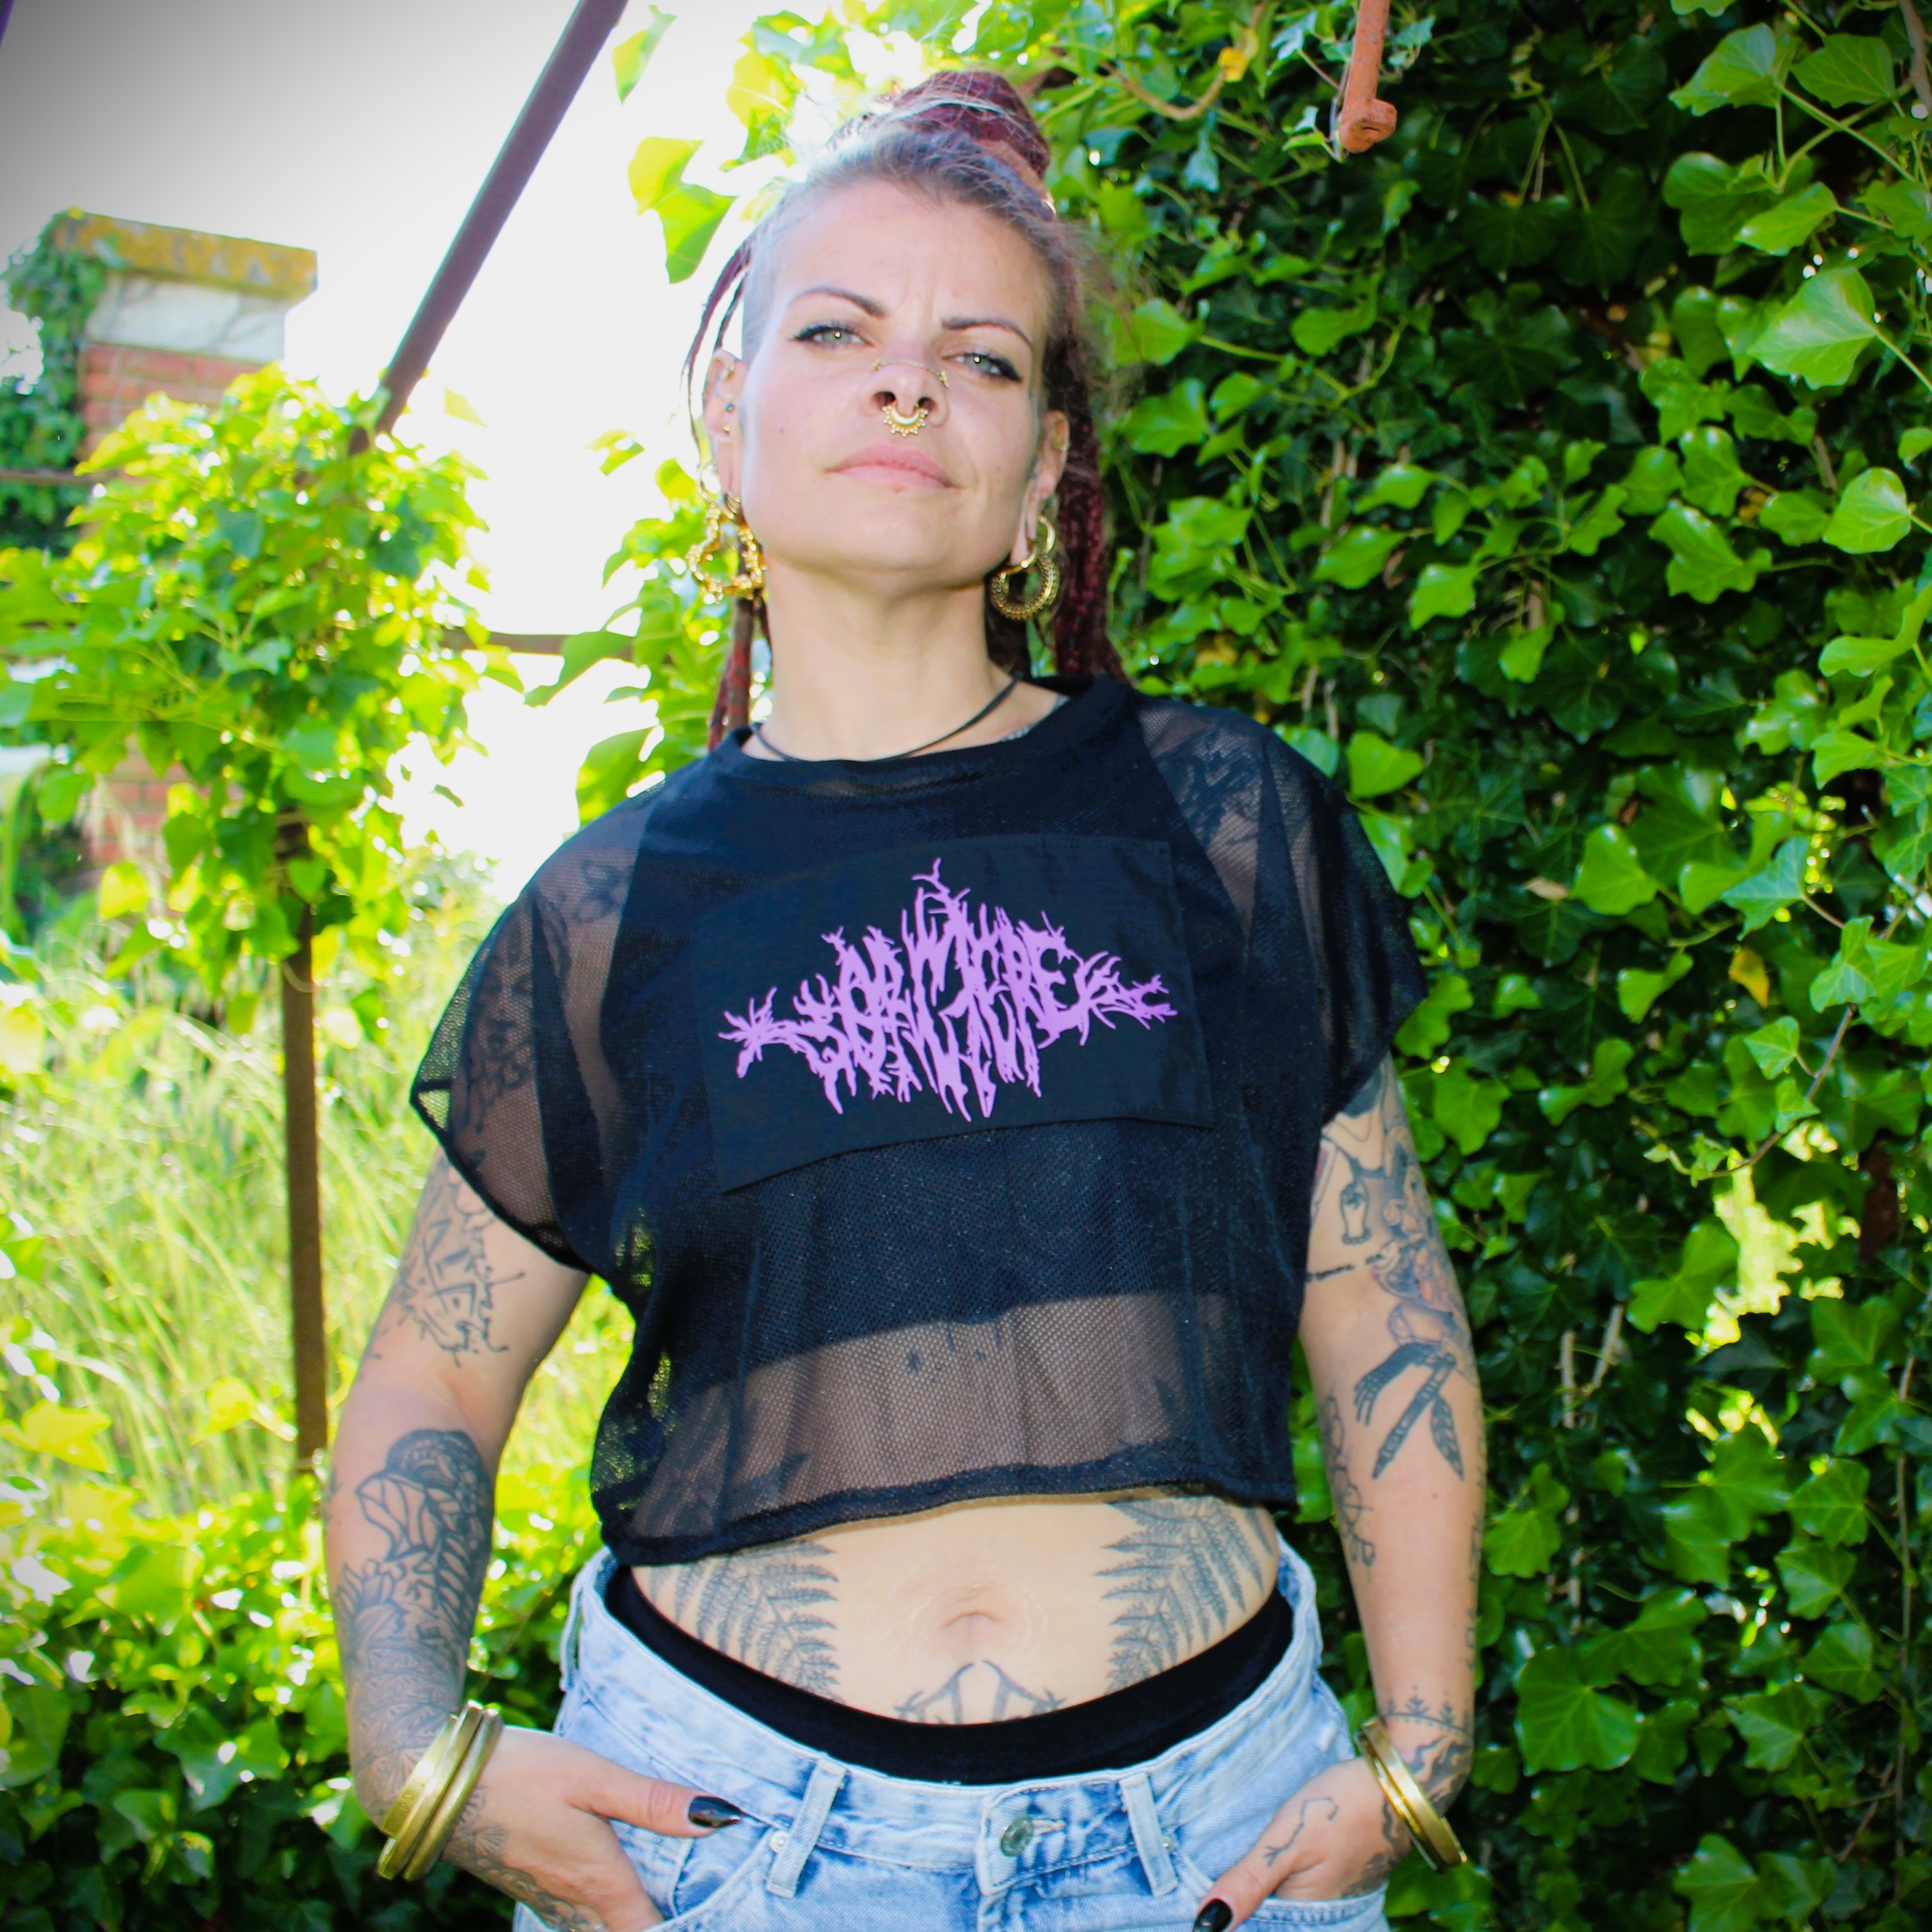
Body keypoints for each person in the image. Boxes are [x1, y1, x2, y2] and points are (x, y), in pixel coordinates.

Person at [326, 69, 1482, 1932]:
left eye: (981, 356)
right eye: (837, 330)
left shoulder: (1220, 825)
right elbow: (432, 1372)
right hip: (723, 1852)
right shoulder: (616, 910)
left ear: (1041, 473)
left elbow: (1378, 1302)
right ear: (726, 419)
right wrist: (414, 1754)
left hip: (1213, 1843)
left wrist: (1418, 1751)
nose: (906, 384)